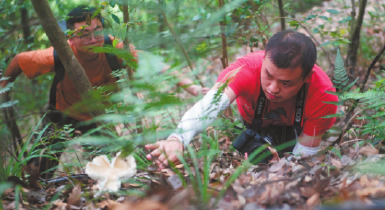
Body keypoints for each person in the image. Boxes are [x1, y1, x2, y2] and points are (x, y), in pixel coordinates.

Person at [1, 5, 208, 178]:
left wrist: (193, 88)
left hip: (99, 117)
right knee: (38, 172)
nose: (93, 39)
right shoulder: (60, 54)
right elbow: (19, 60)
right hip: (61, 113)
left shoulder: (114, 47)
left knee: (112, 173)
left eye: (97, 31)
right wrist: (1, 87)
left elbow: (155, 64)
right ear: (70, 37)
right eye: (84, 34)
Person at [145, 30, 338, 169]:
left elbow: (303, 158)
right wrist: (177, 138)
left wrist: (282, 168)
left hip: (294, 128)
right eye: (268, 75)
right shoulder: (246, 69)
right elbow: (211, 105)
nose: (273, 89)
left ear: (306, 78)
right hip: (253, 121)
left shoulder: (323, 95)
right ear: (263, 61)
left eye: (286, 83)